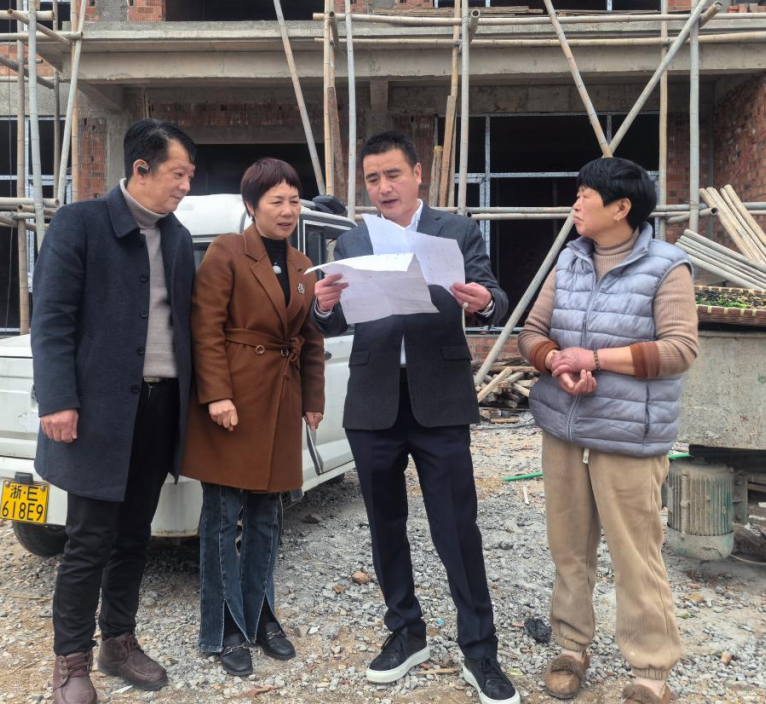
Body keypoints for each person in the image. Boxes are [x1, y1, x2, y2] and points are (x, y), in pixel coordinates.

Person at [314, 130, 519, 704]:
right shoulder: (353, 240)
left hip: (439, 399)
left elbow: (495, 296)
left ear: (418, 173)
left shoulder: (456, 230)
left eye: (392, 175)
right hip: (373, 399)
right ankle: (405, 632)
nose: (383, 187)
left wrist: (484, 301)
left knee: (457, 529)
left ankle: (480, 650)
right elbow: (333, 321)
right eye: (372, 179)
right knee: (386, 527)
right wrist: (323, 307)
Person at [518, 157, 699, 704]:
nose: (575, 203)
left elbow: (680, 349)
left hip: (628, 435)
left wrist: (595, 358)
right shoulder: (569, 259)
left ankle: (651, 669)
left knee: (634, 553)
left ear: (621, 208)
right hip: (564, 426)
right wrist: (556, 362)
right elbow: (532, 333)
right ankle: (572, 645)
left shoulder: (667, 266)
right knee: (568, 547)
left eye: (585, 196)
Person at [31, 118, 198, 703]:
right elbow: (51, 318)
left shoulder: (177, 237)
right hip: (97, 411)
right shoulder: (80, 224)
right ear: (141, 169)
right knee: (88, 540)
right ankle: (71, 662)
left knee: (134, 536)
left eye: (190, 175)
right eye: (178, 173)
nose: (185, 186)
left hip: (159, 408)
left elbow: (187, 326)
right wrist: (58, 399)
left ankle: (119, 642)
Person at [181, 158, 326, 677]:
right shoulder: (227, 251)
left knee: (268, 515)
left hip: (282, 399)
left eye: (294, 201)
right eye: (276, 201)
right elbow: (205, 326)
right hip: (233, 402)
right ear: (251, 205)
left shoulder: (304, 264)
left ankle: (262, 617)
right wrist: (216, 395)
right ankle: (223, 629)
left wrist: (313, 399)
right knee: (223, 517)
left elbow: (310, 337)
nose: (288, 210)